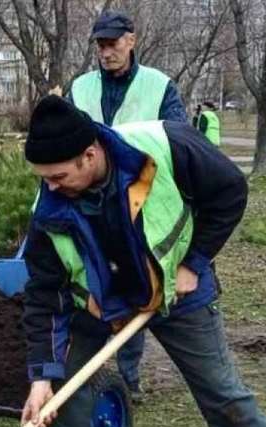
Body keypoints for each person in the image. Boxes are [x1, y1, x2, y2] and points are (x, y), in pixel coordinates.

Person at [19, 95, 266, 427]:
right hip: (101, 300)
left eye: (59, 176)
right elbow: (43, 293)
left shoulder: (166, 146)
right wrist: (41, 376)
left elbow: (231, 191)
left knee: (222, 394)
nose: (50, 186)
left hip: (178, 291)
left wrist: (194, 262)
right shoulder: (49, 206)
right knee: (63, 385)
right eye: (44, 178)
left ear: (89, 154)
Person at [67, 10, 189, 401]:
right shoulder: (81, 88)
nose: (106, 52)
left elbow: (178, 140)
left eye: (113, 43)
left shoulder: (158, 86)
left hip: (140, 203)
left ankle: (129, 376)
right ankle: (83, 369)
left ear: (131, 41)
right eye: (101, 45)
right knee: (93, 281)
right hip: (90, 200)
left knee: (137, 282)